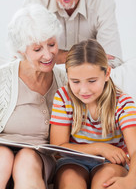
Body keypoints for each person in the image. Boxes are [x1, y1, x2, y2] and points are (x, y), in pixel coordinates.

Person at [0, 4, 67, 189]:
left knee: (26, 160)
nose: (48, 54)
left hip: (38, 156)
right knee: (2, 157)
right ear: (21, 51)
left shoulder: (66, 81)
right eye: (37, 49)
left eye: (51, 44)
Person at [50, 39, 136, 189]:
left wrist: (131, 180)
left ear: (107, 73)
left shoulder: (123, 103)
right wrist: (100, 148)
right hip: (72, 161)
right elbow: (58, 147)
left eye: (92, 81)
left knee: (104, 181)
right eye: (75, 81)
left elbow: (135, 149)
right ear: (67, 76)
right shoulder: (63, 97)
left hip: (110, 163)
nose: (84, 90)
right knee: (70, 180)